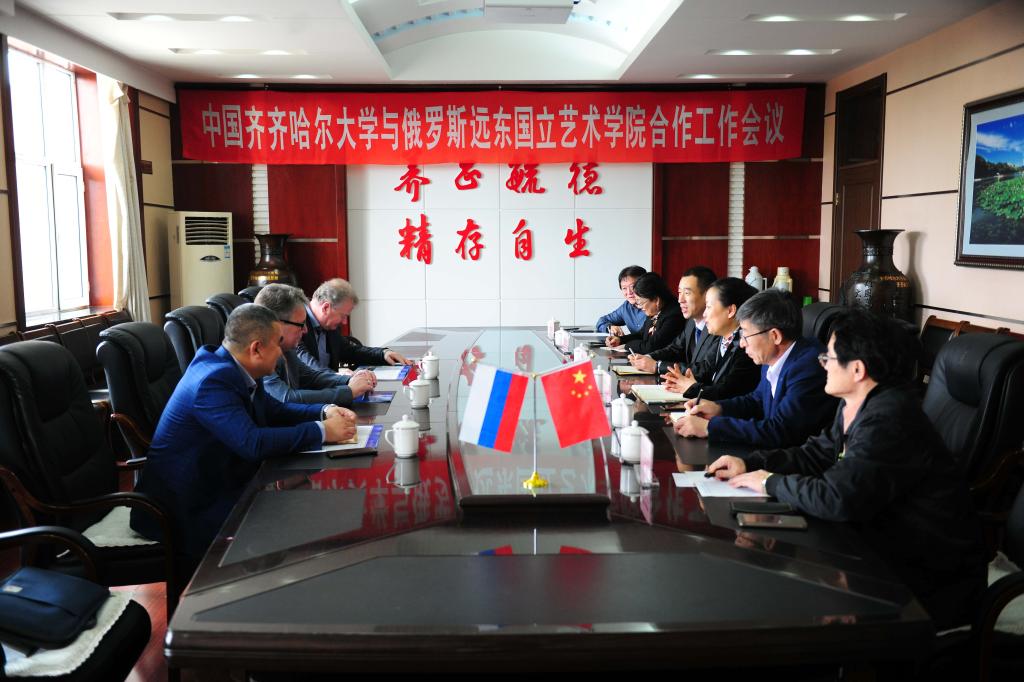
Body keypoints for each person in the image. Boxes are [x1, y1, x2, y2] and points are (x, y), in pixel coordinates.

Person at [707, 310, 986, 630]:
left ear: (857, 369)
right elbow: (816, 454)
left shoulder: (889, 419)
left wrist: (770, 482)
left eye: (828, 357)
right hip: (877, 547)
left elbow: (837, 498)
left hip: (927, 579)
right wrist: (752, 463)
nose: (822, 363)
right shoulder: (855, 402)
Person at [130, 304, 357, 569]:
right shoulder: (213, 381)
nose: (283, 352)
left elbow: (275, 410)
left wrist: (324, 411)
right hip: (185, 508)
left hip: (223, 482)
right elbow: (252, 443)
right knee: (296, 528)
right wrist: (322, 431)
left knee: (303, 515)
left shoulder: (237, 365)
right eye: (277, 344)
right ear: (256, 348)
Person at [674, 289, 836, 447]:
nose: (742, 343)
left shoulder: (809, 367)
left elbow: (781, 430)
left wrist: (709, 428)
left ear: (775, 336)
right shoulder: (772, 357)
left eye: (745, 334)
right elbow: (757, 401)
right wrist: (718, 408)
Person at [255, 284, 376, 405]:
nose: (305, 330)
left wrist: (351, 380)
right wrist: (349, 392)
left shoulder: (287, 349)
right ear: (276, 324)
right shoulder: (258, 353)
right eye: (301, 324)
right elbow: (286, 398)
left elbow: (311, 377)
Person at [660, 277, 761, 401]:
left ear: (730, 311)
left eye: (708, 307)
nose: (704, 314)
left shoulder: (747, 348)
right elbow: (705, 370)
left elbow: (727, 392)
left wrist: (691, 387)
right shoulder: (722, 339)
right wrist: (680, 380)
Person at [297, 278, 411, 371]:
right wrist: (338, 376)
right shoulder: (297, 323)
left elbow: (350, 351)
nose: (344, 322)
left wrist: (383, 354)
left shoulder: (329, 326)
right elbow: (308, 366)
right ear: (326, 307)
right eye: (343, 316)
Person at [629, 265, 718, 375]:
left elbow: (705, 369)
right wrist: (647, 358)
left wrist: (657, 366)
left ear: (707, 295)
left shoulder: (719, 328)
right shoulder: (691, 322)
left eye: (687, 293)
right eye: (679, 292)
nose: (680, 300)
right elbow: (675, 349)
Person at [606, 272, 685, 355]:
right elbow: (641, 334)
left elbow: (650, 347)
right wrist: (620, 340)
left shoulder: (673, 315)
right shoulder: (655, 311)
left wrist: (627, 345)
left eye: (641, 303)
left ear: (656, 300)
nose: (640, 307)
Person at [595, 265, 648, 336]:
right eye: (624, 288)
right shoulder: (626, 307)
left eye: (632, 287)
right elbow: (602, 321)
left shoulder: (655, 306)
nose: (629, 292)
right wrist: (610, 327)